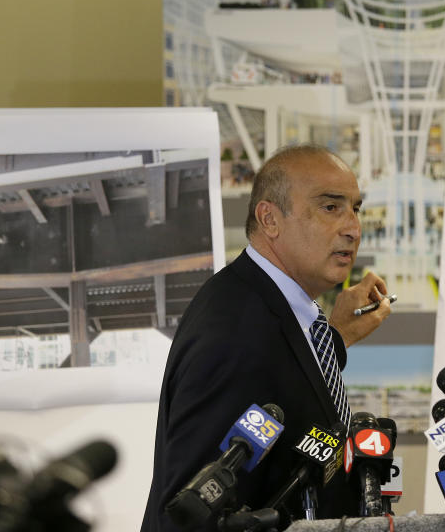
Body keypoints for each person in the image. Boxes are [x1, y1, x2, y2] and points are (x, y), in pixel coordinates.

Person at [141, 144, 393, 531]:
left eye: (355, 208)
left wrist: (335, 338)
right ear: (270, 219)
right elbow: (192, 513)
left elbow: (287, 389)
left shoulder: (268, 303)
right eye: (331, 207)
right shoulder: (234, 330)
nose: (353, 228)